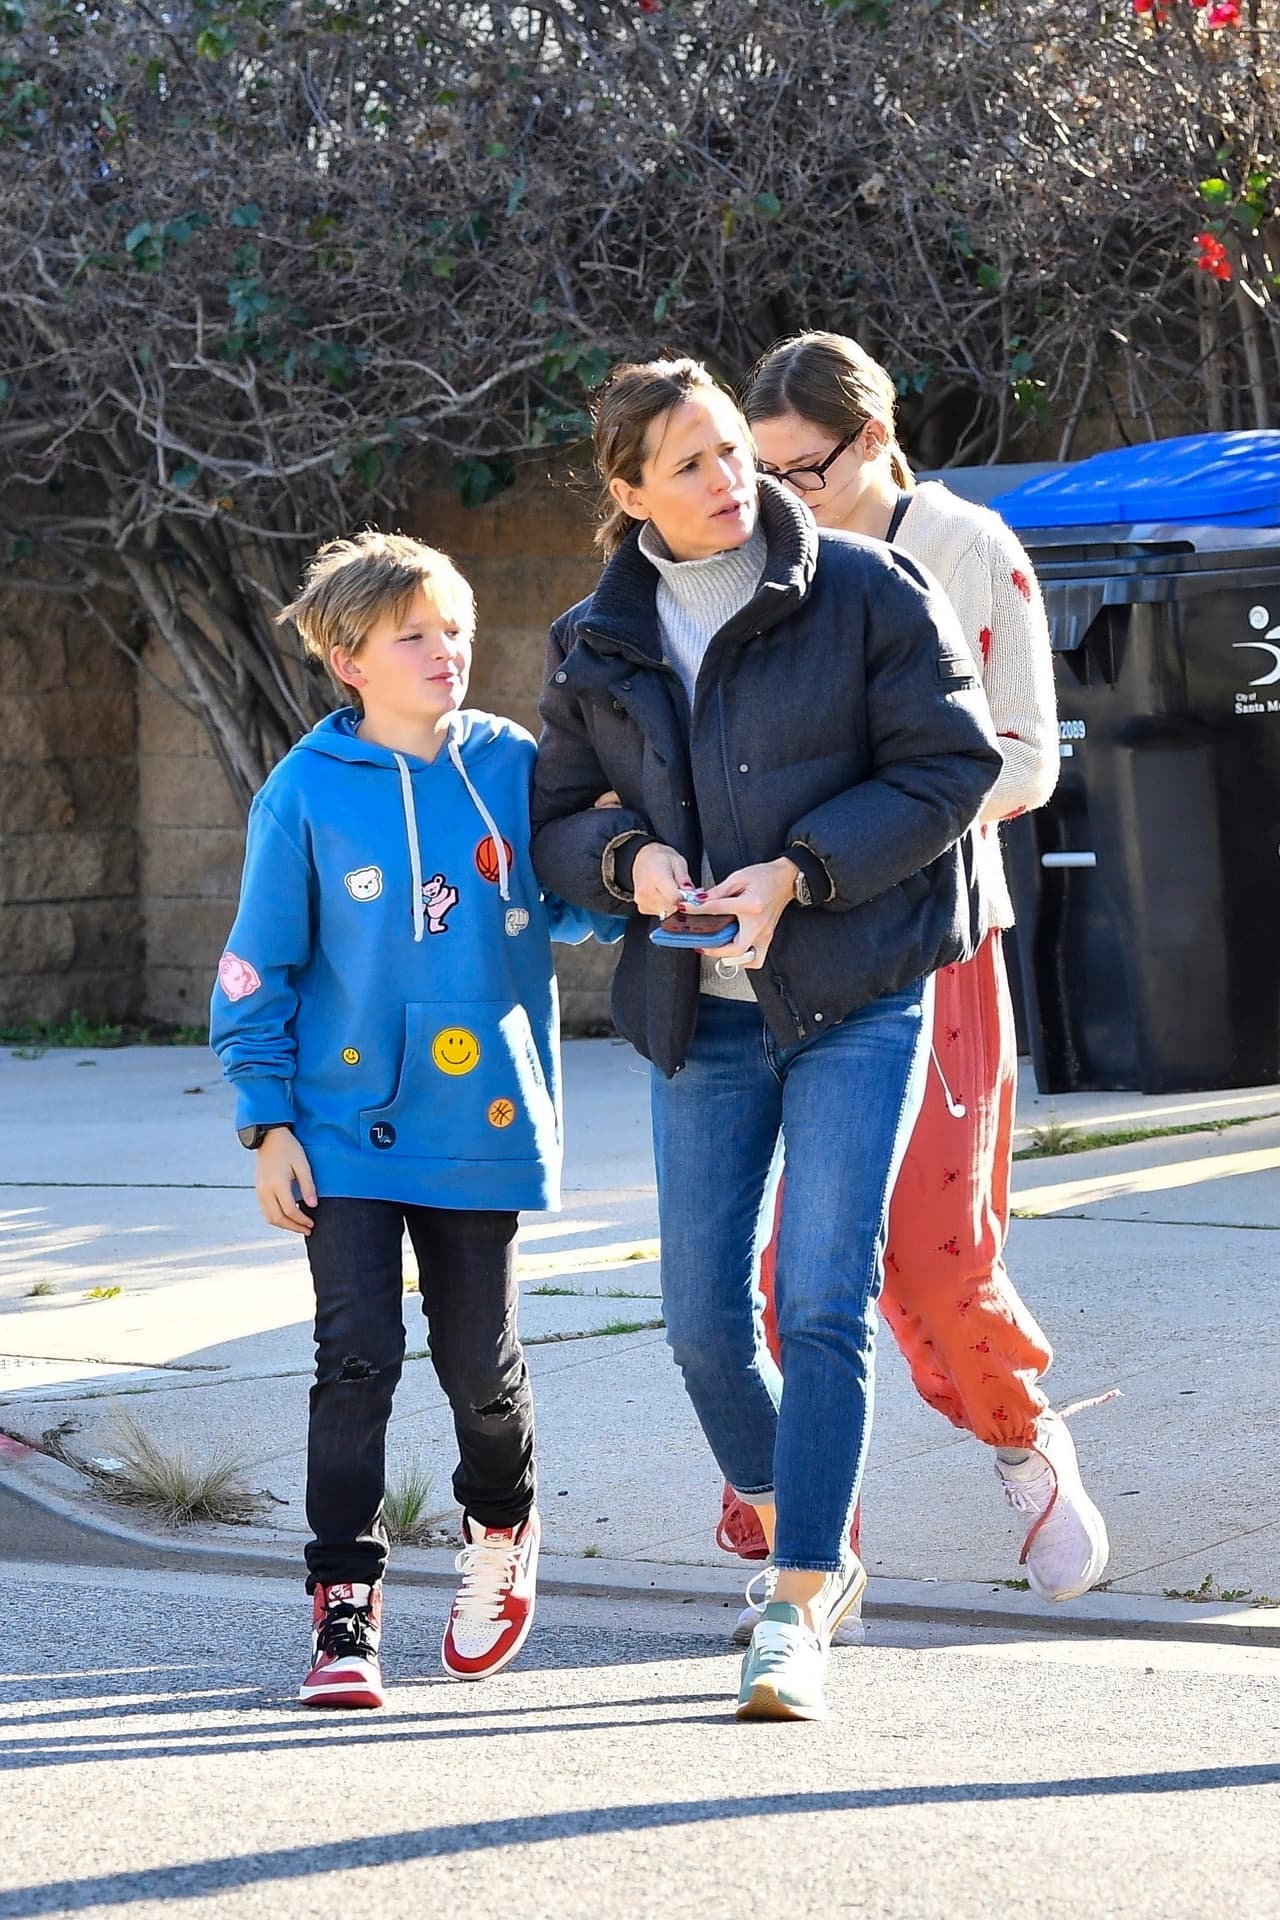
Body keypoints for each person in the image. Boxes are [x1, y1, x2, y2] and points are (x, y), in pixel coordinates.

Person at [531, 357, 1001, 1721]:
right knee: (695, 1325)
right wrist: (633, 863)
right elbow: (562, 815)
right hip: (704, 1016)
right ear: (629, 493)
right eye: (689, 464)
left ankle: (797, 1601)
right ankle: (804, 1512)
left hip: (856, 991)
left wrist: (799, 869)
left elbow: (951, 767)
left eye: (735, 450)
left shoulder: (864, 589)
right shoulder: (593, 641)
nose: (730, 480)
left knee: (819, 1301)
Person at [722, 330, 1108, 1639]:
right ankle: (811, 1553)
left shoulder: (967, 550)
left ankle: (1020, 1433)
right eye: (761, 474)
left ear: (878, 439)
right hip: (794, 957)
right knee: (790, 1277)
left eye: (805, 470)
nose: (781, 498)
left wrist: (865, 828)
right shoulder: (761, 566)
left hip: (934, 946)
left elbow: (1028, 762)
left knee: (940, 1255)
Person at [211, 530, 617, 1710]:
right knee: (354, 1360)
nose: (445, 652)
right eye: (413, 636)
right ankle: (345, 1607)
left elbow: (569, 906)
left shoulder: (509, 763)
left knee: (475, 1369)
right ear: (349, 660)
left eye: (454, 630)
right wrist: (264, 1121)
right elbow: (258, 967)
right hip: (337, 1125)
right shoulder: (302, 792)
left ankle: (500, 1527)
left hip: (477, 1116)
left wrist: (635, 881)